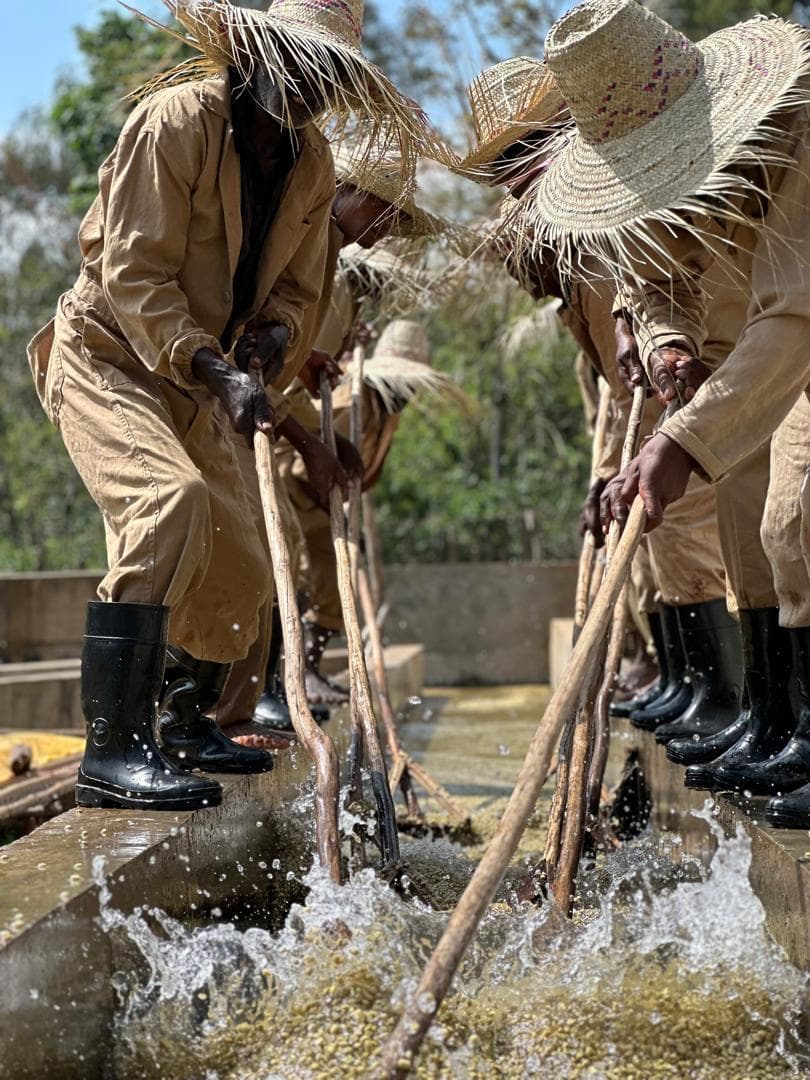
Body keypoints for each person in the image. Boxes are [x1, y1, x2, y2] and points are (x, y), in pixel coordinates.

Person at [25, 0, 429, 811]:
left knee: (243, 557)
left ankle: (185, 719)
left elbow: (297, 291)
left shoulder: (311, 162)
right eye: (300, 66)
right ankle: (113, 749)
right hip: (112, 356)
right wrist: (216, 367)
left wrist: (272, 337)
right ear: (257, 56)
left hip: (200, 378)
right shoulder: (174, 123)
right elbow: (133, 275)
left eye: (330, 75)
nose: (311, 88)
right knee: (169, 504)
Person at [533, 0, 810, 827]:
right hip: (748, 360)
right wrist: (668, 347)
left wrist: (680, 441)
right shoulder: (663, 191)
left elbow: (794, 315)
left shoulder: (800, 127)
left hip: (785, 344)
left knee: (794, 515)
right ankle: (777, 718)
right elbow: (657, 280)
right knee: (750, 521)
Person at [456, 56, 739, 745]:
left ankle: (720, 696)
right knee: (661, 552)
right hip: (651, 422)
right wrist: (606, 473)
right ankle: (691, 683)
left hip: (690, 409)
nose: (526, 281)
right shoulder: (569, 290)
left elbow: (656, 344)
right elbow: (614, 400)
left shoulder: (605, 238)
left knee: (690, 538)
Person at [218, 140, 446, 729]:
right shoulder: (309, 257)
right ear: (348, 194)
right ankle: (250, 695)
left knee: (289, 558)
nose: (388, 227)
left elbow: (288, 359)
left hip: (276, 433)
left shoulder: (331, 274)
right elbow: (256, 361)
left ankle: (273, 688)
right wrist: (312, 445)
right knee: (273, 557)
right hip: (252, 431)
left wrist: (311, 363)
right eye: (383, 210)